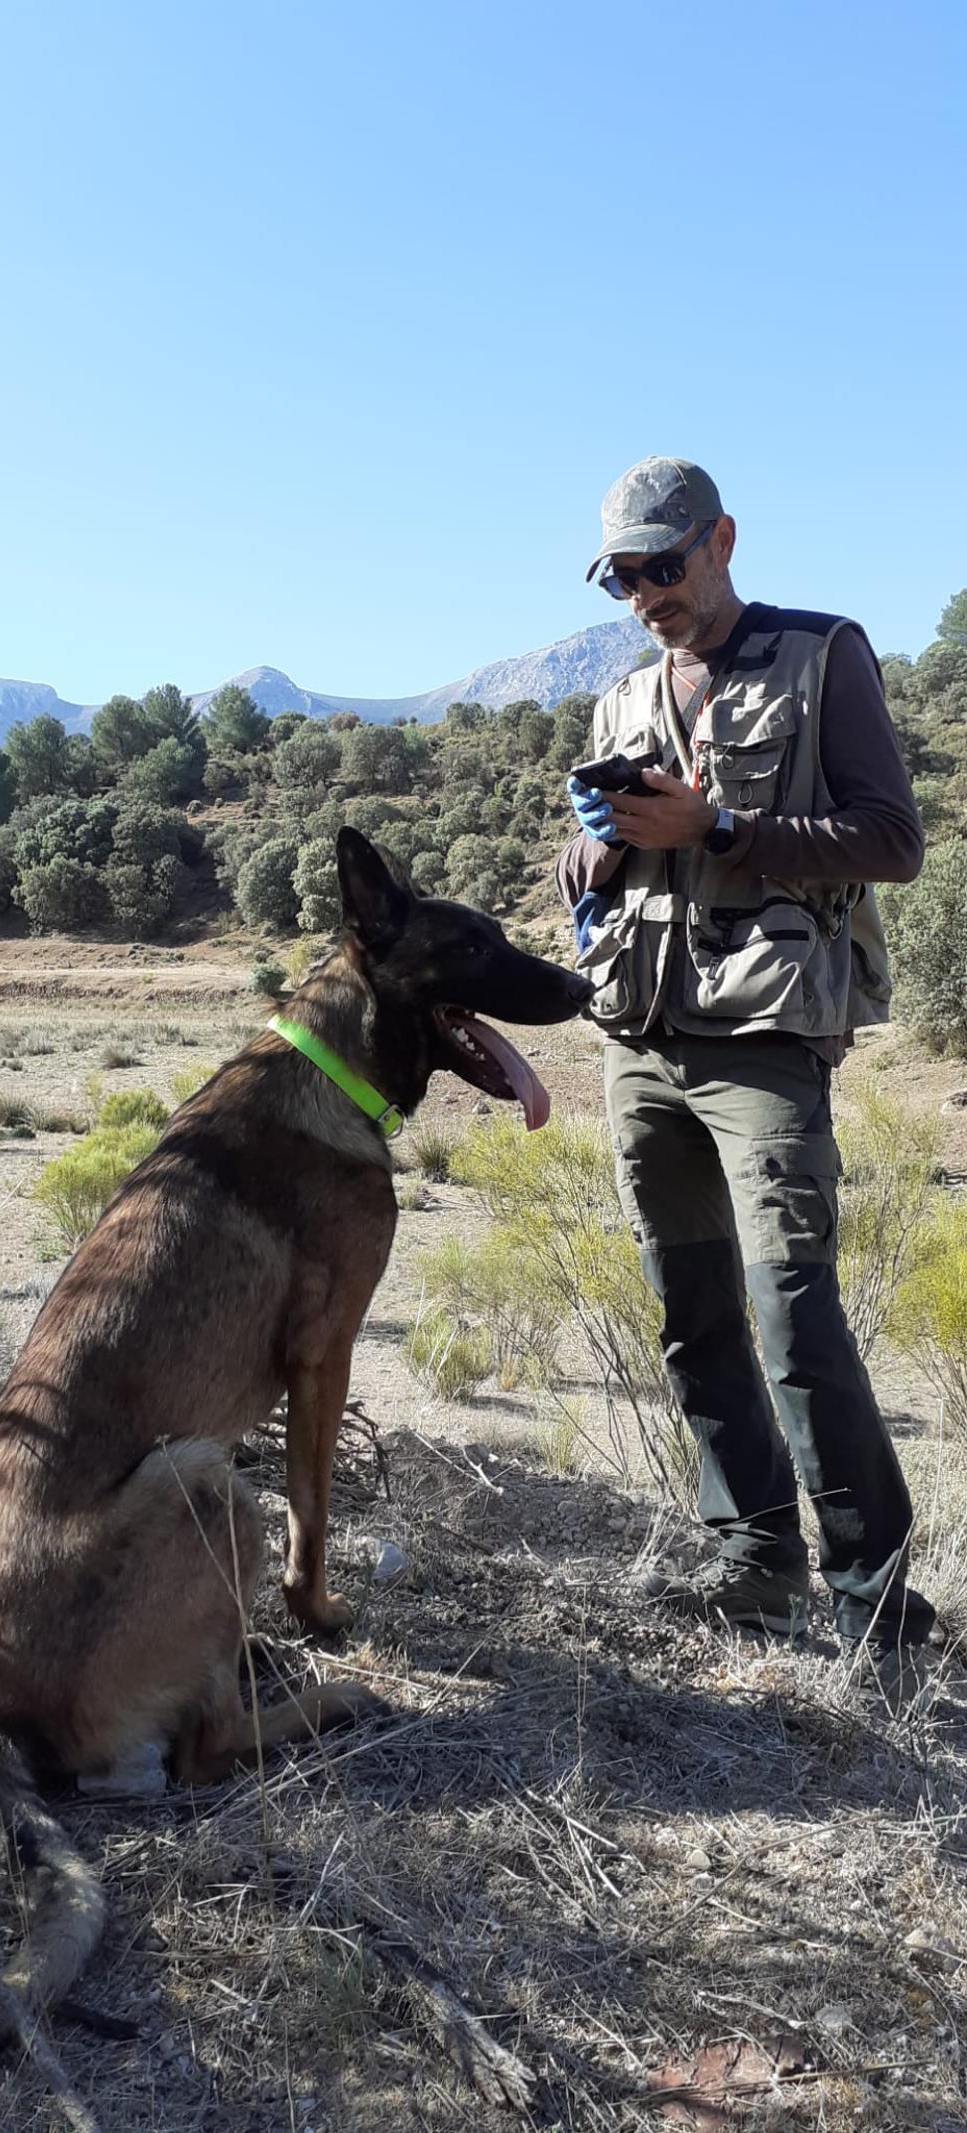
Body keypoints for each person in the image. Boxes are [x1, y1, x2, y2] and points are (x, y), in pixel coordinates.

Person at [558, 455, 941, 1699]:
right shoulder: (620, 699)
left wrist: (718, 829)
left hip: (767, 1035)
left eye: (663, 567)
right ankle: (753, 1560)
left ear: (721, 539)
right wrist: (601, 848)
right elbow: (579, 872)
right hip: (639, 1034)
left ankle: (875, 1600)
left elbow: (893, 842)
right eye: (624, 577)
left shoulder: (825, 655)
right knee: (690, 1311)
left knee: (792, 1312)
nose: (645, 597)